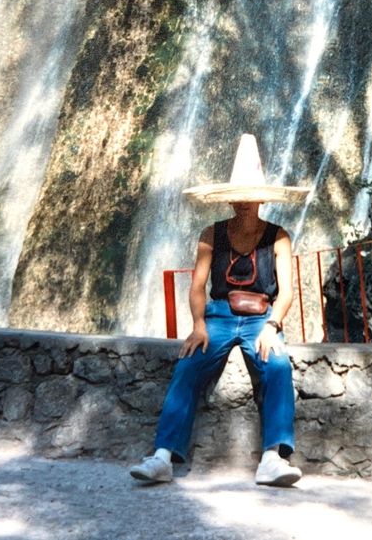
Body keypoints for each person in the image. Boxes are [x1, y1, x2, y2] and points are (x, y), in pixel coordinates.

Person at [130, 134, 309, 487]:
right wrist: (198, 325)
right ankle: (162, 457)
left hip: (261, 317)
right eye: (237, 197)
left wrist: (273, 325)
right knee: (188, 366)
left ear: (260, 198)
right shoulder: (211, 234)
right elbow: (197, 286)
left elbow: (286, 290)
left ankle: (273, 458)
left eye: (248, 197)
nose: (242, 203)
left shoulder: (279, 236)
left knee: (277, 366)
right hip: (218, 316)